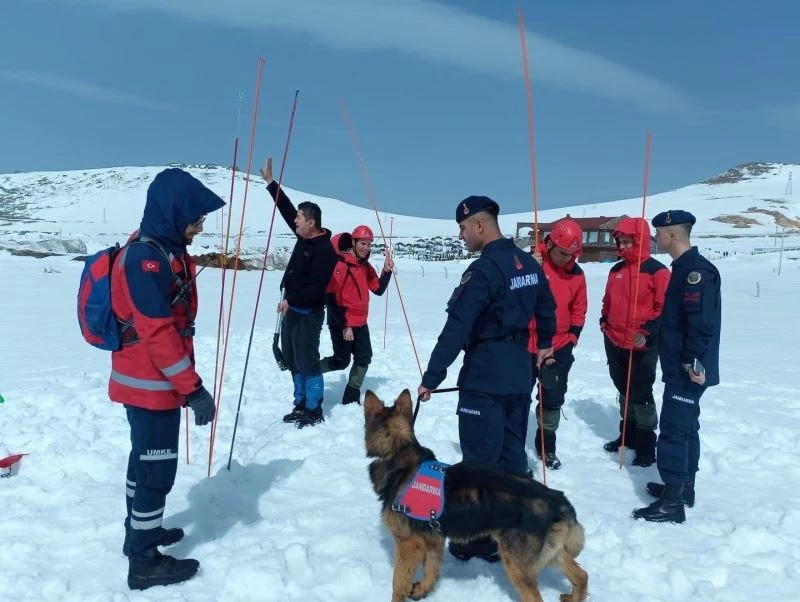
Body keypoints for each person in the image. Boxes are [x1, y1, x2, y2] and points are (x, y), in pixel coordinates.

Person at [417, 195, 556, 563]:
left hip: (485, 375)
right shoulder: (527, 263)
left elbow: (457, 327)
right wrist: (544, 343)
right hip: (519, 374)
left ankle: (477, 539)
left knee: (480, 461)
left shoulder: (483, 272)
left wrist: (432, 376)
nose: (461, 236)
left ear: (480, 225)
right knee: (511, 457)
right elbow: (547, 307)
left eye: (463, 228)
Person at [109, 168, 225, 590]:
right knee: (156, 471)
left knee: (143, 462)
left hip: (150, 381)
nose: (198, 228)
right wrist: (193, 390)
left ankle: (140, 532)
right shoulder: (145, 258)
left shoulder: (162, 249)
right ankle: (143, 562)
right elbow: (157, 331)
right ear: (174, 213)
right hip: (150, 384)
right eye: (196, 219)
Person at [634, 210, 721, 523]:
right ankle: (683, 487)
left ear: (672, 234)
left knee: (672, 431)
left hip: (688, 370)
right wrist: (648, 330)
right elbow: (675, 318)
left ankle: (673, 502)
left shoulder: (695, 272)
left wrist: (691, 362)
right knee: (687, 428)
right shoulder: (684, 269)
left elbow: (701, 325)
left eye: (659, 233)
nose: (656, 239)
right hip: (682, 365)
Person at [260, 157, 338, 428]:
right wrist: (271, 183)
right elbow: (286, 209)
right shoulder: (304, 237)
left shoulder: (325, 250)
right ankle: (300, 403)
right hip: (291, 311)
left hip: (308, 313)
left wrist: (290, 300)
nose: (294, 220)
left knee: (308, 362)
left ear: (311, 222)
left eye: (299, 218)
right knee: (292, 360)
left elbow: (316, 289)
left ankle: (314, 408)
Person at [600, 217, 670, 467]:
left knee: (641, 393)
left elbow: (664, 309)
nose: (622, 246)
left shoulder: (658, 271)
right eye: (619, 241)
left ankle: (646, 445)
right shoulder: (616, 270)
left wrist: (647, 331)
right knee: (624, 390)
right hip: (614, 339)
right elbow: (607, 300)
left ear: (639, 240)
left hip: (642, 343)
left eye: (627, 241)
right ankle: (626, 436)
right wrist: (604, 321)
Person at [528, 217, 588, 470]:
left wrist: (572, 337)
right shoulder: (532, 263)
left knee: (552, 397)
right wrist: (529, 268)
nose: (567, 259)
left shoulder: (577, 274)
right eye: (563, 253)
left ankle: (546, 446)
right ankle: (511, 446)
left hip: (560, 345)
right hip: (527, 343)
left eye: (571, 254)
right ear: (550, 243)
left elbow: (579, 308)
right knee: (518, 396)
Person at [321, 226, 394, 405]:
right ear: (353, 243)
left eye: (369, 244)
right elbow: (330, 298)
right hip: (342, 322)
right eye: (362, 243)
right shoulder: (340, 264)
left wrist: (386, 271)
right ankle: (311, 368)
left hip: (360, 322)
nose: (366, 248)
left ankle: (351, 397)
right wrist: (345, 325)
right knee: (341, 361)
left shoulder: (364, 266)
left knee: (364, 358)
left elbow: (378, 289)